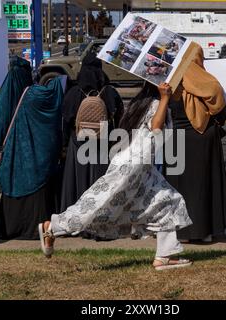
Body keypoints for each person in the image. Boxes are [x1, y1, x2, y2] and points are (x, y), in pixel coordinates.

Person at [39, 82, 193, 270]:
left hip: (141, 168)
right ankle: (52, 227)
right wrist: (165, 98)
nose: (181, 90)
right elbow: (156, 128)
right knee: (97, 206)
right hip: (130, 168)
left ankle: (165, 256)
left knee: (168, 201)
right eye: (179, 86)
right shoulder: (155, 104)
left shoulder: (144, 103)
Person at [166, 42, 226, 242]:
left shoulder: (171, 80)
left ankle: (182, 232)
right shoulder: (209, 82)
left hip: (175, 140)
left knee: (179, 188)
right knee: (204, 186)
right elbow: (220, 109)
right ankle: (205, 232)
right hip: (203, 140)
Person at [0, 57, 64, 240]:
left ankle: (12, 228)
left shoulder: (8, 94)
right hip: (40, 161)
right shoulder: (36, 95)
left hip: (14, 155)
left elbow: (0, 122)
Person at [60, 53, 123, 212]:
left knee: (77, 181)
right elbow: (119, 118)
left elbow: (65, 120)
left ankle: (75, 218)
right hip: (102, 143)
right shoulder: (109, 91)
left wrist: (65, 144)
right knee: (99, 182)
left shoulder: (74, 92)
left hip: (78, 142)